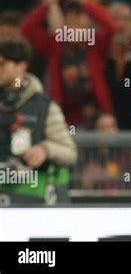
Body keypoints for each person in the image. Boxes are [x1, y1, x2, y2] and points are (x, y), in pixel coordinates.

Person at [0, 35, 77, 205]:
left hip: (30, 202)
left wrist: (45, 149)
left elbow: (70, 152)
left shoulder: (44, 107)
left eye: (2, 64)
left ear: (21, 67)